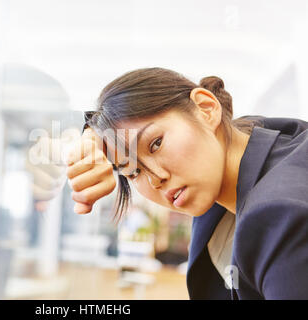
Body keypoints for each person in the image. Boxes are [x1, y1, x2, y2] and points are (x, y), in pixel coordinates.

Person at [65, 67, 308, 299]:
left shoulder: (280, 216)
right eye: (134, 171)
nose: (155, 178)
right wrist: (93, 131)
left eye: (156, 144)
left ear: (205, 108)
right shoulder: (267, 141)